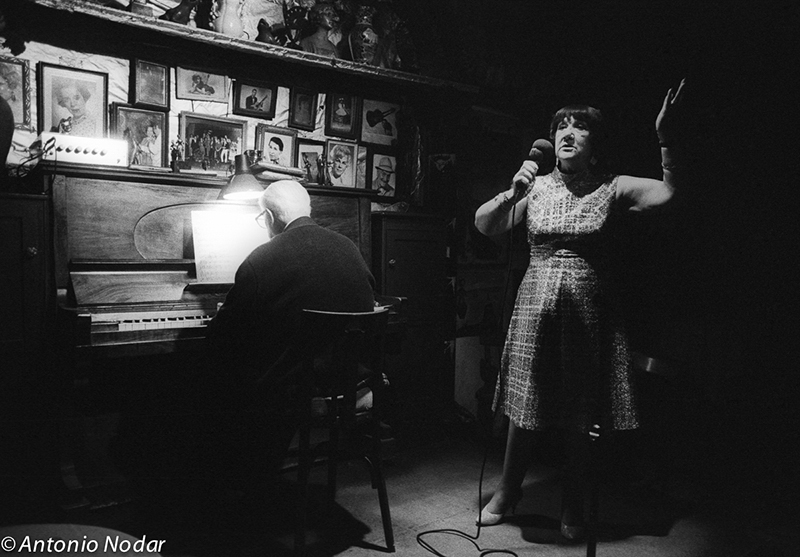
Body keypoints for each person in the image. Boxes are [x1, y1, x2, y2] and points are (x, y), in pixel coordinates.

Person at [473, 80, 686, 540]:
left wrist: (666, 139)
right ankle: (509, 491)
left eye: (580, 127)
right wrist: (512, 191)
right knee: (525, 406)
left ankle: (572, 500)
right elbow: (485, 225)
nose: (567, 133)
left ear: (595, 143)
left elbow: (670, 195)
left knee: (580, 413)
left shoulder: (614, 187)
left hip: (589, 314)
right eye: (560, 126)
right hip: (535, 307)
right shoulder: (536, 186)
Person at [204, 180, 376, 476]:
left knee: (213, 377)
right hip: (349, 384)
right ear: (308, 209)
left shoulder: (261, 258)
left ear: (269, 218)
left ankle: (235, 480)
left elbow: (223, 335)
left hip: (291, 395)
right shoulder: (350, 248)